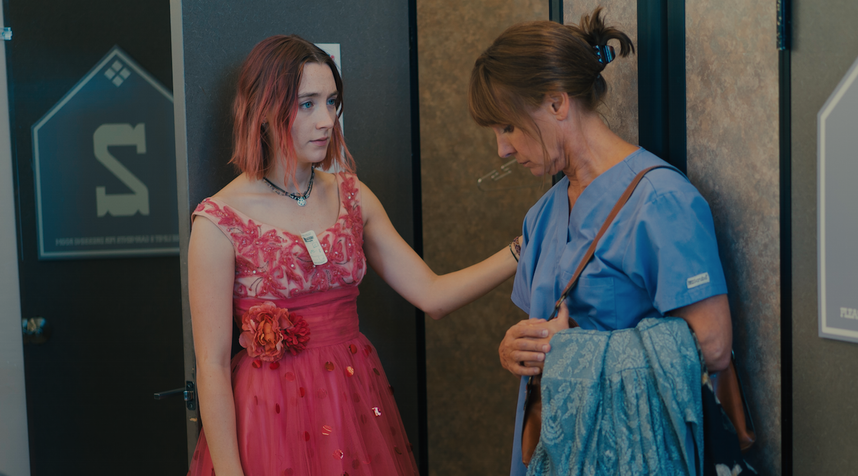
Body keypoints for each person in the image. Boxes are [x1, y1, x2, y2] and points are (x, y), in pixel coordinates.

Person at [187, 35, 520, 476]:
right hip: (269, 419)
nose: (326, 120)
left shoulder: (352, 195)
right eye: (307, 104)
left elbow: (434, 295)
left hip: (353, 403)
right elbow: (211, 367)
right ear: (264, 108)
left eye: (331, 102)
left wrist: (522, 249)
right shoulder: (219, 220)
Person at [468, 9, 733, 476]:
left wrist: (573, 352)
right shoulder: (542, 215)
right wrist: (516, 349)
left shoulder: (662, 201)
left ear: (557, 103)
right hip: (553, 451)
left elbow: (712, 346)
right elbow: (545, 332)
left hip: (632, 454)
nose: (502, 150)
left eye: (507, 126)